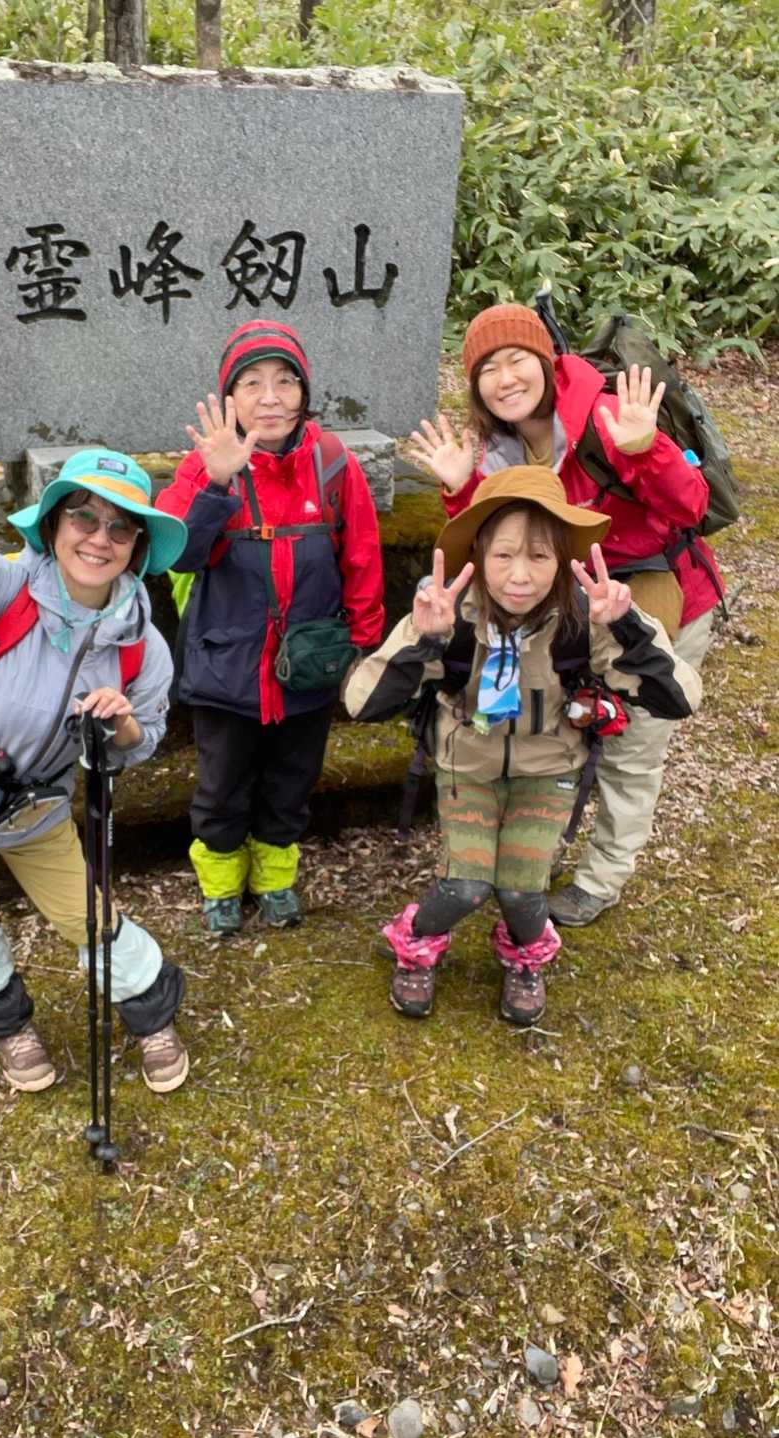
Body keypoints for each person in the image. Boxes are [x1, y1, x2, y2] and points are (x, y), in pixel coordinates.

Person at [0, 316, 191, 1095]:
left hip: (37, 807)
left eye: (121, 527)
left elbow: (141, 741)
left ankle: (151, 1014)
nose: (99, 537)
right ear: (53, 523)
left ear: (139, 547)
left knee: (89, 916)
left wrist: (123, 724)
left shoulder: (141, 647)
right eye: (83, 516)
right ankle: (7, 1026)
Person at [344, 467, 702, 1024]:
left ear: (562, 560)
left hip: (549, 768)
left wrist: (628, 626)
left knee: (520, 893)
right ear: (478, 556)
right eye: (503, 555)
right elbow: (362, 703)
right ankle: (415, 945)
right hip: (467, 766)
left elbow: (678, 698)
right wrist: (424, 639)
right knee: (465, 887)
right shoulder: (452, 615)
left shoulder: (585, 618)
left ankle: (525, 959)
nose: (519, 576)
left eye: (539, 556)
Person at [410, 303, 725, 925]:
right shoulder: (498, 449)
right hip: (569, 615)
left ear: (547, 361)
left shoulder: (605, 414)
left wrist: (644, 450)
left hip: (655, 602)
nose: (506, 379)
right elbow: (500, 542)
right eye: (488, 369)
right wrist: (461, 490)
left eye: (517, 360)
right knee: (567, 730)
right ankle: (546, 847)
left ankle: (601, 878)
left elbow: (692, 507)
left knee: (632, 750)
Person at [156, 319, 385, 934]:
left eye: (285, 381)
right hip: (226, 664)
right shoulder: (205, 464)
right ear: (229, 397)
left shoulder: (332, 464)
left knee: (292, 781)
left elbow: (362, 555)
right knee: (221, 786)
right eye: (252, 383)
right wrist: (218, 482)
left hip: (308, 664)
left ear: (305, 392)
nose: (270, 398)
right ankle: (220, 886)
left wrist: (362, 642)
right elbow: (177, 553)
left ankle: (276, 878)